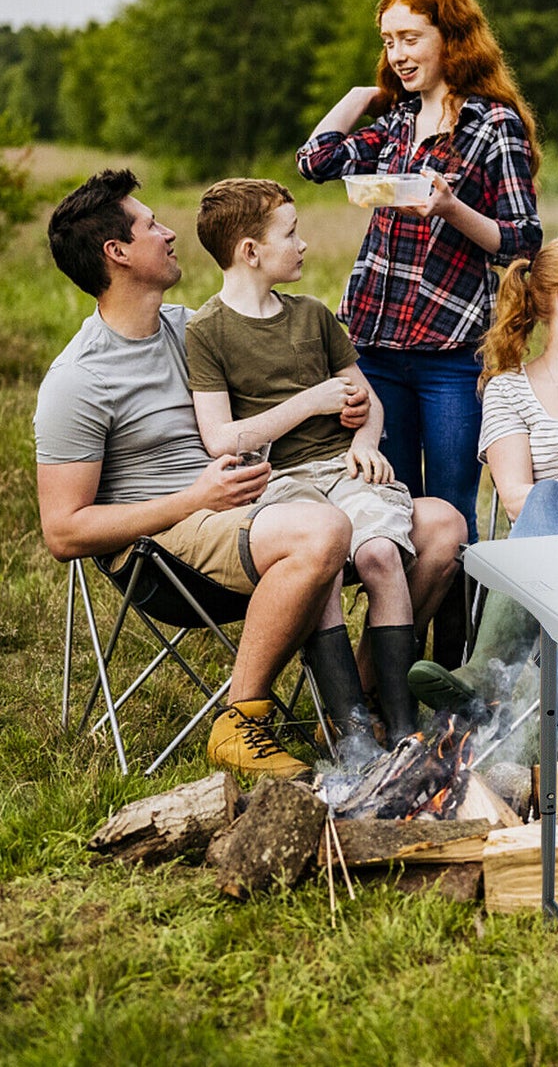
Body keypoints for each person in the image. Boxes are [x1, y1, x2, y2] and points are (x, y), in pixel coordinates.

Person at [34, 170, 351, 779]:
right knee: (321, 533)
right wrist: (194, 497)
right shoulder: (78, 380)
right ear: (118, 253)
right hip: (164, 552)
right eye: (152, 225)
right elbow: (64, 532)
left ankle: (352, 709)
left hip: (257, 502)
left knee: (433, 529)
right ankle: (241, 720)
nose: (171, 231)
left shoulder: (195, 329)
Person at [296, 0, 542, 667]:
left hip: (450, 353)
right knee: (391, 510)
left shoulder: (493, 126)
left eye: (411, 37)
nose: (399, 53)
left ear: (450, 36)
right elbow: (315, 160)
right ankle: (392, 670)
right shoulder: (395, 122)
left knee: (454, 516)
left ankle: (453, 666)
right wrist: (359, 94)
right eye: (388, 41)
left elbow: (523, 239)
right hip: (373, 347)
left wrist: (449, 208)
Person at [186, 178, 466, 748]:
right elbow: (220, 437)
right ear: (251, 251)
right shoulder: (207, 331)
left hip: (343, 469)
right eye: (291, 234)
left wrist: (366, 439)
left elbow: (367, 400)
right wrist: (309, 402)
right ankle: (351, 733)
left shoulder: (312, 315)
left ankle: (402, 724)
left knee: (383, 553)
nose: (304, 244)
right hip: (280, 483)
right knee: (325, 565)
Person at [405, 235, 558, 757]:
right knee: (549, 516)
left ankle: (487, 678)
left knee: (549, 506)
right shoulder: (509, 388)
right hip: (556, 570)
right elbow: (516, 497)